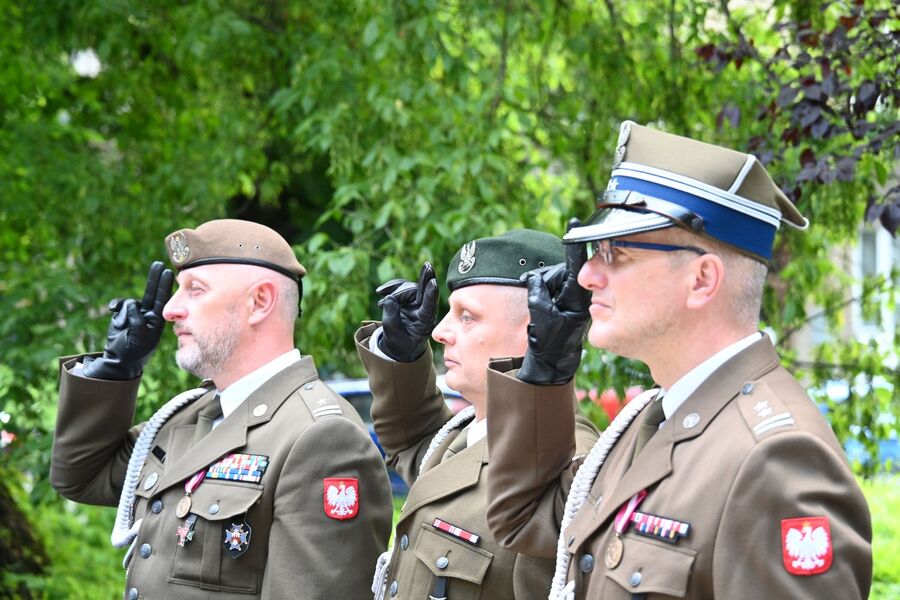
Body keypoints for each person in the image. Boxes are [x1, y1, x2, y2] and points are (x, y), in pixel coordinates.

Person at [485, 122, 872, 599]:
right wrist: (544, 374)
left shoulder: (776, 461)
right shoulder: (649, 420)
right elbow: (526, 519)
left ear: (701, 280)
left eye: (615, 252)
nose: (585, 274)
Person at [51, 219, 393, 599]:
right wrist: (116, 370)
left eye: (195, 290)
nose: (169, 310)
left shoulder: (322, 437)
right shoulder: (190, 416)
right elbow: (80, 477)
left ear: (259, 302)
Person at [355, 229, 599, 600]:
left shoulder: (568, 463)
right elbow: (417, 446)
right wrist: (400, 360)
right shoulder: (465, 432)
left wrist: (544, 375)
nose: (439, 332)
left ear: (537, 329)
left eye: (467, 317)